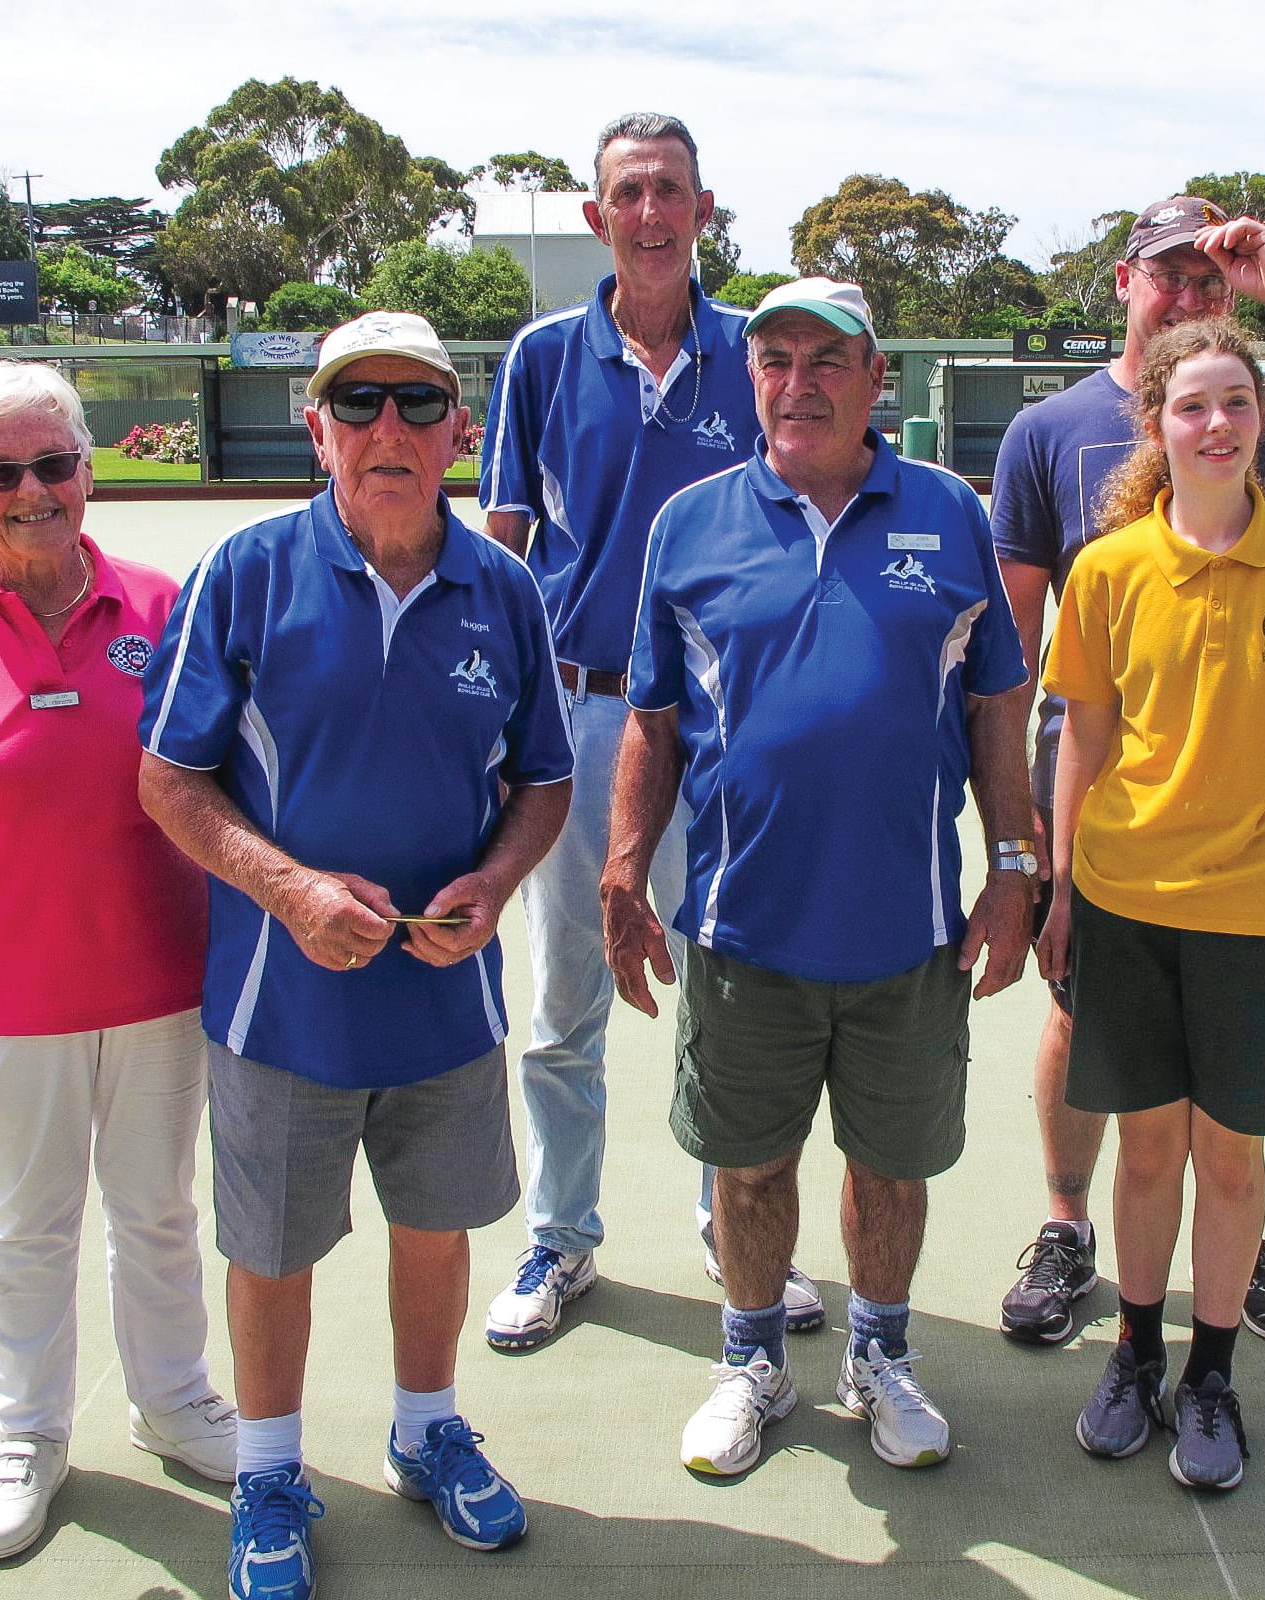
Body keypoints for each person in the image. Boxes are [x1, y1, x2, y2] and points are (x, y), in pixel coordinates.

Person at [138, 312, 573, 1600]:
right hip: (286, 1006)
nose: (390, 428)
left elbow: (543, 780)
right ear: (317, 426)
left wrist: (493, 887)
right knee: (272, 1247)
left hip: (445, 1001)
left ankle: (426, 1429)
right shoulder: (246, 571)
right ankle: (270, 1468)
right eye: (359, 402)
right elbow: (170, 776)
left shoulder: (507, 591)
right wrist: (287, 889)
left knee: (436, 1231)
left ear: (460, 430)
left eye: (418, 403)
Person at [602, 278, 1034, 1477]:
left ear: (874, 375)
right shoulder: (689, 524)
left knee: (891, 1166)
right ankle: (751, 1360)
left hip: (908, 929)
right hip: (743, 926)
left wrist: (1014, 864)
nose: (799, 381)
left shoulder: (949, 513)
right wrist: (625, 867)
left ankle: (879, 1354)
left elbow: (1000, 699)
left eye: (826, 359)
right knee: (748, 1165)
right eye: (775, 358)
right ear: (753, 378)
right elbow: (651, 716)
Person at [991, 195, 1265, 1347]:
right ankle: (1069, 1223)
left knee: (1226, 1088)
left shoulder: (1263, 409)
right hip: (1102, 818)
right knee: (1082, 1025)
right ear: (1123, 281)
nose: (1188, 291)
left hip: (1244, 821)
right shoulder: (1047, 433)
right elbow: (1010, 649)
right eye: (1166, 272)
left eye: (1208, 277)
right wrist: (1026, 839)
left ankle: (1232, 1244)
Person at [0, 359, 234, 1563]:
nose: (34, 492)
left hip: (164, 985)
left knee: (161, 1212)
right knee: (27, 1227)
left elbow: (227, 788)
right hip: (6, 1003)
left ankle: (174, 1399)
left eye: (55, 464)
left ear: (90, 468)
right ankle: (28, 1435)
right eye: (2, 471)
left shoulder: (164, 607)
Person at [480, 111, 822, 1351]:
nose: (649, 211)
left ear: (703, 207)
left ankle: (733, 1224)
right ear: (596, 216)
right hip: (575, 718)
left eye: (669, 189)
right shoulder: (538, 358)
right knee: (568, 995)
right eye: (627, 191)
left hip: (722, 725)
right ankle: (562, 1236)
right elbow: (506, 554)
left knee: (722, 986)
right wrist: (498, 720)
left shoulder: (758, 356)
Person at [1037, 317, 1265, 1489]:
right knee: (1147, 1155)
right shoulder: (1107, 569)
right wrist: (1057, 879)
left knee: (1229, 1161)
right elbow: (1084, 729)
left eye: (1237, 403)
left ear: (1263, 421)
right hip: (1129, 895)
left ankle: (1212, 1377)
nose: (1217, 424)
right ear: (1157, 424)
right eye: (1192, 405)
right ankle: (1135, 1354)